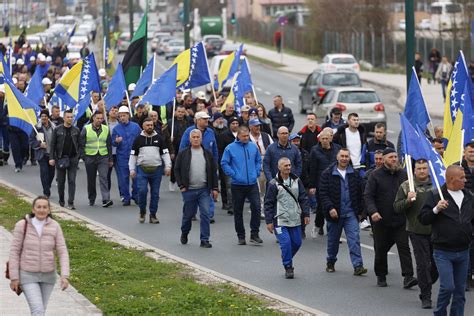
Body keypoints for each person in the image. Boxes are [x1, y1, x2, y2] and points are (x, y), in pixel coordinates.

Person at [419, 165, 474, 315]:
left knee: (460, 291)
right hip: (443, 251)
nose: (465, 180)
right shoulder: (436, 195)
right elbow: (423, 219)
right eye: (461, 178)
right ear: (451, 179)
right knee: (448, 287)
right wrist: (435, 210)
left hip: (463, 251)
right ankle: (440, 313)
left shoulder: (469, 196)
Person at [364, 147, 417, 288]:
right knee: (381, 249)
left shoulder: (404, 175)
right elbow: (368, 196)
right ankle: (381, 275)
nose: (394, 159)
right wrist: (373, 211)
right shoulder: (375, 175)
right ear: (384, 159)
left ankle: (408, 276)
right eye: (391, 157)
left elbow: (411, 191)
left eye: (395, 157)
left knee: (404, 247)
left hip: (400, 219)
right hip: (381, 219)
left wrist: (412, 196)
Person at [8, 196, 69, 315]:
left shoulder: (55, 226)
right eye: (39, 207)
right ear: (33, 209)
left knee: (41, 310)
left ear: (49, 210)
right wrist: (14, 277)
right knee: (38, 310)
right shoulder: (22, 225)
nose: (42, 210)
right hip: (27, 275)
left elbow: (62, 251)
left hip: (48, 276)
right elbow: (14, 252)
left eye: (45, 207)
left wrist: (65, 275)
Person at [394, 159, 438, 309]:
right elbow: (397, 207)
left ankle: (426, 282)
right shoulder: (407, 186)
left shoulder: (437, 185)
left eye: (424, 168)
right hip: (416, 231)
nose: (421, 171)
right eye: (418, 168)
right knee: (423, 265)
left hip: (436, 232)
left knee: (435, 267)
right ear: (414, 170)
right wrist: (408, 201)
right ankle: (426, 296)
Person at [319, 148, 367, 276]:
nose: (344, 158)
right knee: (333, 241)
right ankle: (331, 261)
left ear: (349, 158)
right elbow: (323, 194)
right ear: (337, 157)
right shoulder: (328, 173)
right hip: (335, 214)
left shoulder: (355, 174)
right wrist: (330, 208)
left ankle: (358, 265)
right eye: (342, 156)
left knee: (354, 239)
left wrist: (361, 211)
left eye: (347, 156)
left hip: (351, 212)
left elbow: (361, 193)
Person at [264, 157, 310, 279]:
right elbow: (268, 203)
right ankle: (288, 266)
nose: (288, 168)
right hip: (280, 219)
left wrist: (306, 214)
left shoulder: (296, 181)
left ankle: (286, 256)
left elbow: (303, 197)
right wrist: (269, 221)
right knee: (286, 243)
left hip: (295, 218)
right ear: (279, 167)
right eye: (286, 166)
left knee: (297, 242)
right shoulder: (273, 184)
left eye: (289, 165)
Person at [175, 129, 218, 248]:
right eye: (193, 137)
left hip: (204, 190)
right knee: (188, 215)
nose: (195, 139)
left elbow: (213, 172)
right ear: (190, 139)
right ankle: (184, 232)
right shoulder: (183, 153)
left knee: (205, 213)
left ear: (201, 138)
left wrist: (215, 188)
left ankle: (204, 239)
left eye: (197, 137)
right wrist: (181, 185)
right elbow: (176, 169)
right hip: (189, 190)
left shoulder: (207, 154)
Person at [221, 126, 262, 245]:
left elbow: (258, 160)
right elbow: (224, 163)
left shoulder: (253, 147)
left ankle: (254, 234)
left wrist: (257, 171)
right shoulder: (230, 148)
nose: (246, 138)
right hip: (238, 184)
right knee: (238, 211)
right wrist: (233, 174)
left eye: (247, 136)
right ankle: (241, 235)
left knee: (256, 208)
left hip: (252, 183)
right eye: (243, 136)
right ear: (238, 136)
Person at [129, 118, 172, 224]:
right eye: (147, 125)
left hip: (156, 170)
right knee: (142, 191)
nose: (150, 127)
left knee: (155, 193)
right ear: (143, 127)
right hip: (142, 169)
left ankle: (153, 215)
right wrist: (132, 169)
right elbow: (133, 155)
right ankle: (142, 211)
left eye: (151, 125)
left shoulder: (159, 138)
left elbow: (165, 153)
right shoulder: (138, 139)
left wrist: (168, 166)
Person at [309, 128, 342, 236]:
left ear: (331, 139)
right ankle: (318, 224)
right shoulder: (315, 150)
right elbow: (312, 168)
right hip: (320, 182)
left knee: (335, 205)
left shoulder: (338, 149)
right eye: (322, 138)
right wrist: (312, 185)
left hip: (335, 181)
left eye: (326, 138)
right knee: (322, 206)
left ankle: (333, 229)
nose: (324, 140)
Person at [79, 111, 113, 207]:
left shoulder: (106, 129)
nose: (99, 120)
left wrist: (110, 159)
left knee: (104, 177)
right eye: (97, 118)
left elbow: (109, 145)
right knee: (91, 179)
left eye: (101, 118)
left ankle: (106, 199)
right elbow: (81, 144)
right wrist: (83, 156)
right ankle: (92, 198)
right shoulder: (86, 128)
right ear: (93, 118)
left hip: (103, 156)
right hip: (90, 156)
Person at [49, 110, 80, 209]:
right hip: (60, 159)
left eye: (71, 117)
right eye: (68, 117)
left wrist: (78, 156)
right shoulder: (57, 130)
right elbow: (52, 144)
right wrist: (52, 158)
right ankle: (61, 199)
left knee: (72, 180)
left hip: (72, 159)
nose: (70, 119)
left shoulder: (76, 130)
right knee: (61, 181)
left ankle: (71, 202)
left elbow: (80, 144)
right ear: (64, 118)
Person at [112, 106, 141, 206]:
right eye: (120, 116)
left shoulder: (136, 127)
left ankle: (136, 195)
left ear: (128, 115)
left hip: (134, 156)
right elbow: (113, 143)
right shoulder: (116, 129)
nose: (122, 118)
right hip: (122, 156)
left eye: (124, 115)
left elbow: (141, 139)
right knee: (123, 179)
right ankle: (126, 198)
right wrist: (116, 141)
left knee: (136, 177)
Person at [29, 110, 56, 197]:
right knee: (44, 172)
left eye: (45, 116)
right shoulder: (37, 128)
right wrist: (39, 144)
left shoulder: (54, 128)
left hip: (52, 154)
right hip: (42, 154)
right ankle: (46, 191)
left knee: (51, 173)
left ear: (48, 117)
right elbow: (31, 141)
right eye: (42, 116)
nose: (43, 118)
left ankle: (47, 186)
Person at [249, 118, 273, 212]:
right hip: (253, 166)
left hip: (266, 165)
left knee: (265, 188)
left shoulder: (266, 136)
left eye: (258, 125)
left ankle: (264, 207)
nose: (258, 127)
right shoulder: (247, 137)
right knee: (257, 190)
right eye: (255, 126)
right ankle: (258, 208)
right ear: (250, 127)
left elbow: (272, 148)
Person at [217, 116, 239, 213]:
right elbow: (220, 150)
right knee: (228, 185)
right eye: (233, 123)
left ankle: (237, 203)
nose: (235, 125)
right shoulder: (224, 135)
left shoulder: (241, 135)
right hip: (228, 164)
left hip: (239, 164)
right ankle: (230, 205)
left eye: (236, 123)